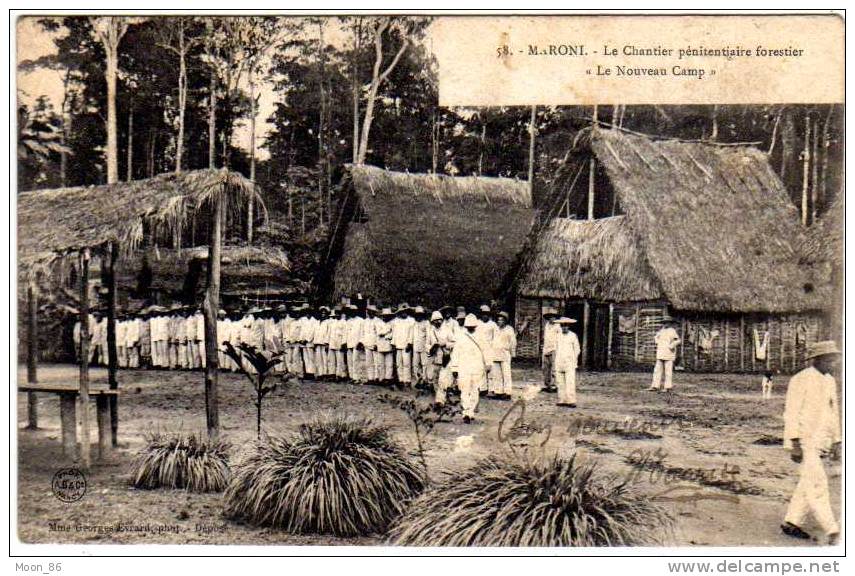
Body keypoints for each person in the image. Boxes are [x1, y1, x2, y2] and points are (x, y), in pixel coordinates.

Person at [781, 340, 841, 545]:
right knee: (817, 484)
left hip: (821, 440)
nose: (832, 364)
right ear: (816, 360)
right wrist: (794, 442)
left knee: (807, 482)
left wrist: (837, 441)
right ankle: (832, 529)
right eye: (828, 360)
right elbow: (791, 412)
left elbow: (833, 413)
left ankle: (791, 521)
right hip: (804, 440)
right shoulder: (800, 380)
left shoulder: (830, 381)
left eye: (834, 360)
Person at [450, 314, 488, 423]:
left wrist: (488, 363)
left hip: (477, 367)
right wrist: (454, 368)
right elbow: (455, 353)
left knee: (475, 390)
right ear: (466, 326)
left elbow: (486, 351)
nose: (470, 328)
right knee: (464, 390)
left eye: (472, 327)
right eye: (469, 327)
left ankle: (471, 411)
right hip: (464, 367)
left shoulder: (481, 337)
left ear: (475, 326)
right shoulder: (461, 337)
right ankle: (466, 412)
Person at [648, 317, 681, 392]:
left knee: (668, 371)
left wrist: (671, 346)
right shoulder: (661, 331)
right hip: (660, 352)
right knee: (657, 370)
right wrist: (657, 341)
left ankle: (668, 387)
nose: (665, 324)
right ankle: (655, 386)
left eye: (667, 323)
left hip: (669, 353)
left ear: (670, 324)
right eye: (664, 323)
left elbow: (678, 340)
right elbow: (656, 338)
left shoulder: (672, 331)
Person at [553, 317, 580, 408]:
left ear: (568, 326)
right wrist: (555, 360)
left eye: (566, 326)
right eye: (562, 326)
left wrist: (573, 359)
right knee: (560, 382)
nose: (564, 327)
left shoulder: (573, 336)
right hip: (559, 361)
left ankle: (571, 400)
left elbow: (577, 349)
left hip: (569, 362)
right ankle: (562, 399)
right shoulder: (557, 336)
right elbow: (555, 348)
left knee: (570, 381)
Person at [489, 311, 516, 400]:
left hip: (505, 353)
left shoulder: (509, 329)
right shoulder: (495, 329)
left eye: (502, 320)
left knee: (506, 374)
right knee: (497, 374)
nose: (500, 321)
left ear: (505, 321)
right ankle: (498, 391)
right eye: (498, 320)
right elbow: (491, 340)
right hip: (495, 353)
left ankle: (507, 392)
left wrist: (513, 353)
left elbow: (513, 342)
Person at [474, 305, 497, 396]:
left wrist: (494, 348)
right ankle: (482, 388)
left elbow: (496, 338)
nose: (485, 316)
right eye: (483, 314)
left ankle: (491, 389)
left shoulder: (493, 324)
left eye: (486, 314)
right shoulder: (478, 323)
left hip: (490, 349)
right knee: (481, 369)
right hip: (480, 349)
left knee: (490, 369)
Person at [391, 304, 415, 387]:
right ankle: (400, 379)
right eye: (402, 312)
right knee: (399, 363)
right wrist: (393, 343)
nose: (403, 313)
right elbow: (394, 333)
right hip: (398, 344)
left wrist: (409, 343)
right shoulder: (396, 321)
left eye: (405, 312)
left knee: (406, 363)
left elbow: (411, 333)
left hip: (406, 345)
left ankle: (407, 380)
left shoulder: (411, 321)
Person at [541, 307, 560, 393]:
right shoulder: (547, 326)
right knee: (546, 368)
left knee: (554, 368)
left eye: (553, 317)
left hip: (555, 348)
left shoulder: (558, 326)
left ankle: (554, 385)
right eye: (550, 317)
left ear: (555, 317)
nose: (551, 318)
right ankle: (547, 384)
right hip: (546, 348)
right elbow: (545, 338)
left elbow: (560, 338)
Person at [375, 307, 395, 385]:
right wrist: (387, 332)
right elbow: (379, 333)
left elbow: (392, 335)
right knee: (380, 363)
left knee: (389, 363)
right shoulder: (379, 323)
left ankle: (388, 378)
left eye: (387, 316)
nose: (385, 317)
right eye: (384, 316)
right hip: (380, 345)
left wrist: (387, 335)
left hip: (388, 345)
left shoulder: (392, 324)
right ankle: (381, 378)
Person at [345, 304, 365, 383]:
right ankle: (351, 377)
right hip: (349, 342)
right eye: (351, 311)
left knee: (356, 360)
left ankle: (357, 377)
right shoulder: (348, 321)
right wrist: (345, 342)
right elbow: (346, 333)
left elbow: (363, 332)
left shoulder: (361, 321)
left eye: (354, 311)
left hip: (357, 343)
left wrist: (361, 342)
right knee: (350, 361)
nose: (352, 312)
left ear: (356, 311)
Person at [411, 306, 429, 387]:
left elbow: (429, 336)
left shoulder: (426, 323)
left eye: (420, 315)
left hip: (424, 346)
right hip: (415, 346)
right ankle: (418, 379)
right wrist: (410, 343)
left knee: (425, 364)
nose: (418, 316)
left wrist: (427, 346)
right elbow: (412, 335)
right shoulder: (414, 323)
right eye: (417, 315)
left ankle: (425, 380)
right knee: (415, 364)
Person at [361, 305, 379, 384]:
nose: (370, 313)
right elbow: (363, 333)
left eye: (372, 312)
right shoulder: (365, 321)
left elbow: (379, 333)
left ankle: (377, 378)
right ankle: (370, 378)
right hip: (367, 343)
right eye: (368, 311)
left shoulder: (378, 321)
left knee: (376, 362)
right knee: (369, 362)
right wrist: (362, 342)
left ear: (374, 313)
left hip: (375, 344)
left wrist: (376, 344)